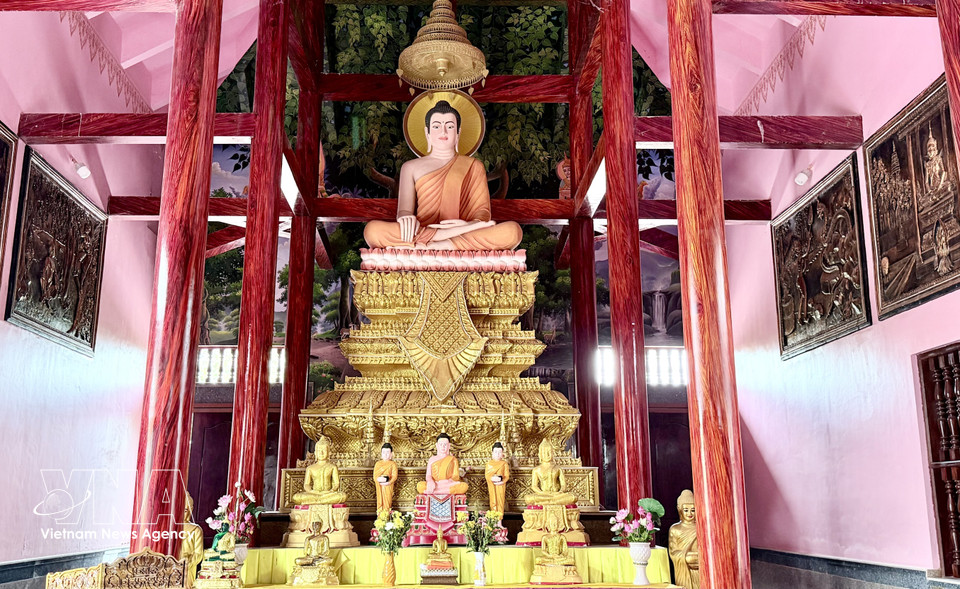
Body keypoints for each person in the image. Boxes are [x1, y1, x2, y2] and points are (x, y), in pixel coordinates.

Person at [363, 99, 522, 251]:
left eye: (450, 126)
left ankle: (443, 243)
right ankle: (442, 240)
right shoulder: (410, 167)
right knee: (372, 231)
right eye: (437, 126)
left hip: (462, 230)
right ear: (427, 132)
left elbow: (482, 214)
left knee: (513, 232)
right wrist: (405, 217)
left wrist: (469, 225)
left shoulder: (474, 166)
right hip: (425, 229)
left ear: (458, 133)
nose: (443, 131)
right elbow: (404, 211)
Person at [294, 436, 348, 505]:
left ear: (329, 453)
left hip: (328, 494)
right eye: (319, 451)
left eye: (324, 450)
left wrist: (331, 491)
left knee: (342, 496)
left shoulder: (332, 467)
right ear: (315, 453)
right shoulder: (310, 468)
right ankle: (322, 501)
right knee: (296, 497)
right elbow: (306, 484)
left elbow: (336, 484)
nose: (321, 453)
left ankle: (316, 501)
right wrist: (312, 491)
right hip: (314, 494)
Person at [523, 439, 577, 506]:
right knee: (528, 498)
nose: (547, 455)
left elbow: (563, 485)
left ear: (553, 453)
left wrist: (560, 492)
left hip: (556, 494)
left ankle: (546, 502)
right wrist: (542, 493)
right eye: (544, 453)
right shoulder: (536, 470)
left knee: (573, 497)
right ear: (540, 455)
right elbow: (534, 486)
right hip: (543, 495)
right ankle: (553, 502)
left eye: (549, 452)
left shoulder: (558, 468)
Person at [668, 490, 700, 589]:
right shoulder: (675, 529)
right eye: (686, 510)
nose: (690, 513)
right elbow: (673, 552)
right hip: (684, 567)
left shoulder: (701, 528)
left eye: (693, 510)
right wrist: (686, 558)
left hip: (700, 566)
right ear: (680, 510)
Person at [180, 493, 204, 588]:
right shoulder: (169, 529)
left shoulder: (196, 530)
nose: (182, 513)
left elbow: (198, 554)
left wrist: (186, 564)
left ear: (191, 510)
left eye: (185, 510)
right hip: (170, 567)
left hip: (188, 568)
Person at [485, 442, 510, 513]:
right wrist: (492, 478)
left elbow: (507, 476)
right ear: (492, 453)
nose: (497, 454)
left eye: (499, 452)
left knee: (500, 501)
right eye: (496, 452)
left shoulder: (504, 463)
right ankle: (494, 519)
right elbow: (487, 475)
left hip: (501, 485)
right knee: (493, 501)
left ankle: (499, 521)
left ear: (502, 454)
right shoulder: (489, 464)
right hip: (492, 485)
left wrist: (502, 481)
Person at [373, 443, 399, 512]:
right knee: (380, 500)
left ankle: (387, 515)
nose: (385, 454)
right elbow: (375, 476)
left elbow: (394, 476)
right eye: (384, 452)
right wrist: (378, 479)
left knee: (387, 501)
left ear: (391, 454)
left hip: (388, 486)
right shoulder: (378, 464)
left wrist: (389, 482)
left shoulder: (393, 464)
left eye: (388, 452)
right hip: (380, 486)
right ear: (381, 454)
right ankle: (380, 517)